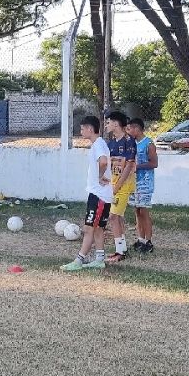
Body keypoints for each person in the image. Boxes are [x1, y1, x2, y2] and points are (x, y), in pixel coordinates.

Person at [60, 116, 111, 271]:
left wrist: (100, 176)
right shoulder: (99, 144)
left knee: (89, 229)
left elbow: (103, 161)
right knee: (98, 228)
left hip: (99, 195)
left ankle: (79, 260)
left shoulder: (98, 144)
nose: (81, 131)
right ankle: (99, 260)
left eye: (82, 128)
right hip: (100, 195)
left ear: (90, 129)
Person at [104, 111, 136, 264]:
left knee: (113, 216)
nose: (106, 125)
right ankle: (122, 249)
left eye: (108, 122)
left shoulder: (129, 141)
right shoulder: (111, 143)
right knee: (117, 217)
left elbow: (129, 167)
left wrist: (116, 187)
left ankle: (120, 252)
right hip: (113, 185)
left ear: (116, 124)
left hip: (123, 186)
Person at [127, 118, 158, 253]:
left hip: (145, 182)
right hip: (134, 182)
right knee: (137, 211)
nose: (128, 131)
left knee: (144, 211)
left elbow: (154, 163)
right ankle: (140, 239)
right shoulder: (132, 143)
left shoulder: (148, 144)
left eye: (130, 129)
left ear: (137, 129)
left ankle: (148, 241)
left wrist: (137, 167)